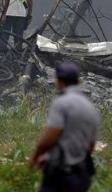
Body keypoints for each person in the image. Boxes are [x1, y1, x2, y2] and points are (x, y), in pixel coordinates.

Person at [29, 61, 100, 192]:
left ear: (60, 81)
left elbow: (51, 136)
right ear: (77, 81)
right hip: (82, 174)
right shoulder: (90, 107)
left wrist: (36, 156)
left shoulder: (62, 103)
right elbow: (90, 145)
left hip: (61, 174)